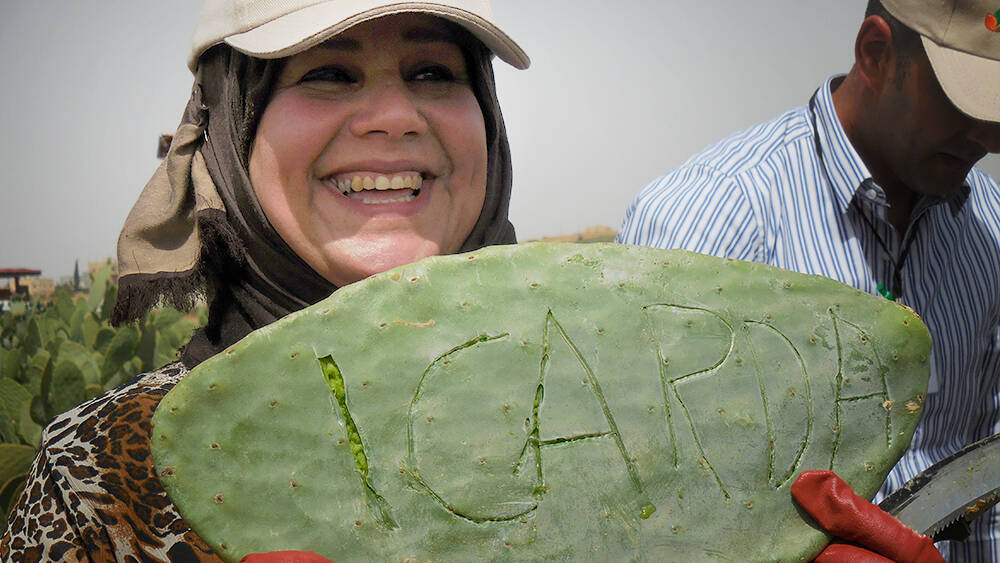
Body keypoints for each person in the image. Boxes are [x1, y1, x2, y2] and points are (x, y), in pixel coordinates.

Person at [0, 0, 528, 560]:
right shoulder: (100, 477)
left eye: (433, 73)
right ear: (231, 124)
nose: (394, 115)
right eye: (327, 74)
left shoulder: (610, 394)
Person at [618, 1, 1000, 560]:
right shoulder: (709, 219)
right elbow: (648, 505)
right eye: (962, 101)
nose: (988, 137)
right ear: (875, 53)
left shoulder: (992, 227)